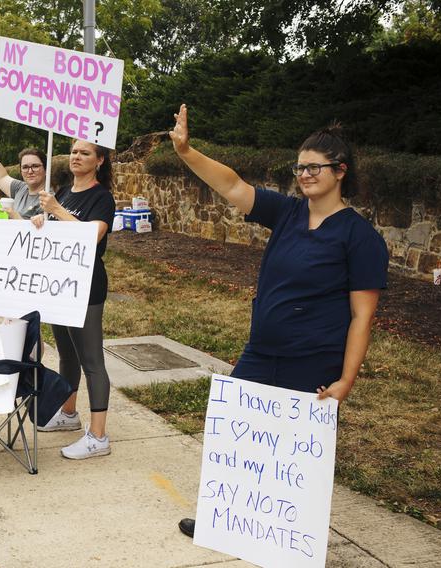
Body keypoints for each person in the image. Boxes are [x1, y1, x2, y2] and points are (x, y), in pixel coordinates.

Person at [168, 104, 388, 537]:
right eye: (299, 167)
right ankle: (225, 517)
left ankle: (291, 534)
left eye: (314, 167)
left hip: (313, 361)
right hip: (261, 351)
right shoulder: (287, 213)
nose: (304, 175)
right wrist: (187, 152)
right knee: (238, 437)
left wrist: (347, 379)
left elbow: (363, 317)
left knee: (295, 455)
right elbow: (232, 185)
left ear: (340, 171)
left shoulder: (360, 237)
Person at [32, 139, 116, 460]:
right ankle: (69, 414)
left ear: (100, 161)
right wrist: (42, 222)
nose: (76, 156)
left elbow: (90, 236)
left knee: (91, 360)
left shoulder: (102, 198)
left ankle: (98, 436)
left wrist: (55, 210)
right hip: (60, 284)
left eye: (85, 153)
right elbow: (58, 232)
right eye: (74, 151)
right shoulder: (65, 192)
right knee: (66, 354)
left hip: (87, 286)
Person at [0, 125, 48, 219]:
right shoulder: (20, 188)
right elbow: (1, 177)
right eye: (25, 167)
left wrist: (16, 218)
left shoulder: (48, 199)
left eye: (35, 166)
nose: (30, 171)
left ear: (46, 169)